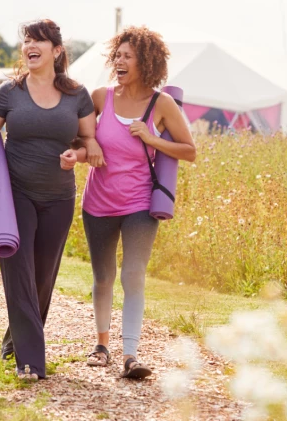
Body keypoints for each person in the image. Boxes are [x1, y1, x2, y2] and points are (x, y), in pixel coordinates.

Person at [0, 19, 99, 380]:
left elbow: (91, 143)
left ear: (57, 51)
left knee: (43, 276)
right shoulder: (9, 93)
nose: (30, 46)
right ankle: (31, 362)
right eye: (26, 40)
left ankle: (15, 338)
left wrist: (79, 156)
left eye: (38, 40)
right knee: (19, 271)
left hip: (59, 196)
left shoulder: (77, 94)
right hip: (15, 194)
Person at [81, 26, 196, 379]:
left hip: (139, 205)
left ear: (145, 62)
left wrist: (152, 138)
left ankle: (130, 353)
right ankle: (101, 346)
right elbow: (80, 135)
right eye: (117, 55)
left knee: (133, 275)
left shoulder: (161, 104)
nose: (119, 61)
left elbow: (190, 151)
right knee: (103, 276)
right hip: (97, 201)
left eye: (127, 56)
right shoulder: (100, 97)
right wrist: (90, 146)